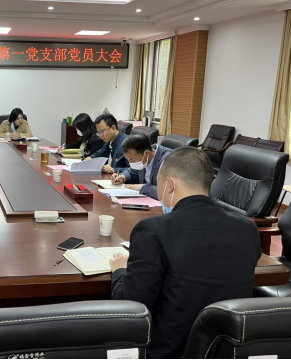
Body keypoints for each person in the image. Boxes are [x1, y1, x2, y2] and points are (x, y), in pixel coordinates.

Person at [109, 147, 261, 359]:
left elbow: (130, 307)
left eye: (159, 186)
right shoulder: (248, 229)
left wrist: (119, 272)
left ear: (170, 185)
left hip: (168, 351)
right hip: (229, 350)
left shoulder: (152, 230)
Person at [112, 133, 171, 199]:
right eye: (128, 159)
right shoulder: (143, 157)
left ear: (147, 153)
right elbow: (132, 171)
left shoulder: (169, 161)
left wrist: (142, 187)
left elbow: (167, 192)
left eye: (132, 159)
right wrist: (122, 177)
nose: (130, 162)